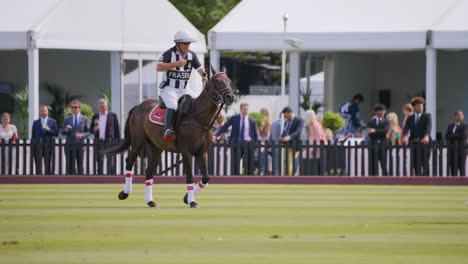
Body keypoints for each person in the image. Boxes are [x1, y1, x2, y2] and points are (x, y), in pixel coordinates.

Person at [157, 30, 208, 141]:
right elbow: (159, 67)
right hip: (169, 88)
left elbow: (199, 68)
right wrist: (175, 64)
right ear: (177, 44)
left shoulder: (191, 55)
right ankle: (168, 129)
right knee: (173, 105)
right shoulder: (169, 53)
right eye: (185, 44)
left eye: (189, 43)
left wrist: (204, 76)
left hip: (184, 89)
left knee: (195, 102)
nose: (187, 46)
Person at [215, 103, 258, 175]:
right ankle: (236, 178)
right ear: (241, 109)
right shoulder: (234, 118)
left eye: (247, 109)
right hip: (236, 144)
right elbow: (224, 127)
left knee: (248, 163)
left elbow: (255, 134)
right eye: (244, 109)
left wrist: (255, 144)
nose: (246, 111)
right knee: (235, 163)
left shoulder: (252, 121)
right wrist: (216, 135)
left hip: (248, 144)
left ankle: (249, 179)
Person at [402, 97, 431, 176]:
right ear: (414, 107)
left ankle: (426, 181)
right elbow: (405, 129)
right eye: (419, 106)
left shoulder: (427, 116)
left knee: (425, 162)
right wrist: (405, 136)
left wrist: (426, 136)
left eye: (422, 106)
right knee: (415, 163)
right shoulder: (410, 118)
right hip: (414, 143)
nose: (421, 108)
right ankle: (418, 180)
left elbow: (428, 127)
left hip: (424, 143)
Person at [91, 98, 120, 175]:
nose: (103, 107)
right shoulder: (95, 116)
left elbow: (117, 129)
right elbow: (91, 129)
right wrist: (94, 129)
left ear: (107, 106)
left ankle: (110, 176)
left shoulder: (113, 115)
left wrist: (117, 142)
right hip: (99, 141)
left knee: (110, 160)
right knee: (99, 160)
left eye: (104, 106)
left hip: (110, 141)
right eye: (101, 106)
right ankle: (100, 176)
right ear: (98, 107)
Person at [62, 100, 90, 175]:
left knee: (80, 165)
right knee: (70, 165)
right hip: (69, 145)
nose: (74, 109)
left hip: (80, 145)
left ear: (79, 108)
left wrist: (82, 135)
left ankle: (81, 182)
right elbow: (62, 131)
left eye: (76, 107)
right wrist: (66, 129)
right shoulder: (66, 119)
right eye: (72, 107)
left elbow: (89, 132)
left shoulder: (85, 119)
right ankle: (69, 183)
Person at [31, 105, 58, 175]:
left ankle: (48, 179)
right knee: (38, 165)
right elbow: (33, 135)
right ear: (40, 112)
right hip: (38, 146)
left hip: (48, 146)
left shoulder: (53, 122)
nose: (43, 112)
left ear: (47, 112)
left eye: (45, 111)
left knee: (48, 164)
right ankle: (38, 179)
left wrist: (49, 130)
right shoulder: (35, 122)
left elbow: (56, 133)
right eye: (42, 111)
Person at [280, 106, 304, 176]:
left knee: (290, 162)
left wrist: (289, 137)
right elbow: (285, 131)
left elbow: (298, 132)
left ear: (289, 113)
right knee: (285, 162)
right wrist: (282, 137)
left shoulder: (299, 120)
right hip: (286, 144)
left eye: (285, 114)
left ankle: (289, 179)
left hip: (294, 144)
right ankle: (285, 177)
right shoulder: (286, 121)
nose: (285, 116)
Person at [367, 104, 389, 176]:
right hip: (373, 144)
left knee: (383, 162)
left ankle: (385, 177)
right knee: (373, 162)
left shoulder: (386, 121)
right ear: (376, 112)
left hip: (383, 144)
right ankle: (373, 178)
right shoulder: (371, 121)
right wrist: (377, 131)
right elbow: (370, 133)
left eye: (383, 111)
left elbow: (385, 131)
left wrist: (375, 130)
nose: (382, 113)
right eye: (380, 111)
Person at [303, 109, 326, 174]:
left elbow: (318, 138)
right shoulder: (312, 124)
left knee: (307, 158)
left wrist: (313, 148)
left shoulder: (316, 125)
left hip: (317, 147)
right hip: (313, 146)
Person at [445, 110, 467, 176]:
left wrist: (452, 135)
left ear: (463, 117)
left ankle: (462, 183)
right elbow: (446, 136)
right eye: (458, 115)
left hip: (461, 150)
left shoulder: (465, 126)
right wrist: (456, 135)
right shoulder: (451, 126)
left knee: (462, 168)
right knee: (453, 168)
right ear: (455, 116)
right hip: (452, 150)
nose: (459, 117)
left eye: (461, 115)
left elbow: (463, 135)